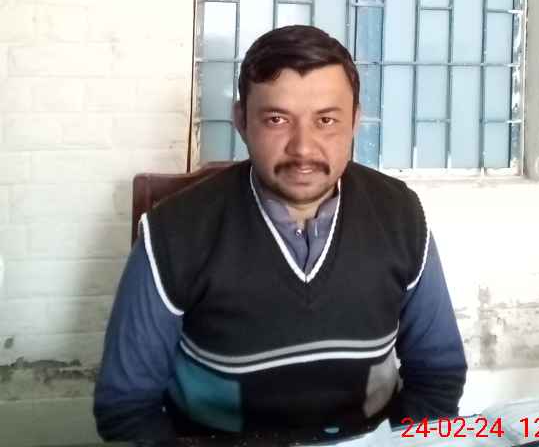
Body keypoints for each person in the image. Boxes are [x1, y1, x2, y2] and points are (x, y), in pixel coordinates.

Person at [94, 25, 467, 441]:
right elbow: (126, 407)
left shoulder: (400, 214)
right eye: (276, 119)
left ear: (355, 121)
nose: (303, 148)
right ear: (241, 121)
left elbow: (438, 374)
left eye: (326, 120)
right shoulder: (173, 232)